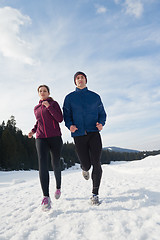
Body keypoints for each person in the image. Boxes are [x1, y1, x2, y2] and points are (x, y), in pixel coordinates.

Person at [63, 71, 106, 205]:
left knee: (96, 163)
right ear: (75, 82)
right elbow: (67, 116)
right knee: (87, 164)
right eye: (77, 78)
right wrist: (70, 126)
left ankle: (95, 194)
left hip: (94, 133)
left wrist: (101, 123)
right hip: (79, 135)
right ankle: (84, 168)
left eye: (82, 77)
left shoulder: (95, 96)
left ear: (86, 80)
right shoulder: (69, 98)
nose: (80, 80)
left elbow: (102, 114)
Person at [28, 85, 63, 211]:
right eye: (40, 91)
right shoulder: (36, 108)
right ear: (38, 94)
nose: (42, 92)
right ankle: (46, 197)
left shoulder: (54, 104)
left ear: (48, 93)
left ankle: (58, 187)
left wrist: (49, 107)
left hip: (55, 137)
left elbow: (59, 119)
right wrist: (33, 131)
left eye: (45, 91)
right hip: (41, 138)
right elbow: (39, 122)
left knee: (55, 164)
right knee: (42, 165)